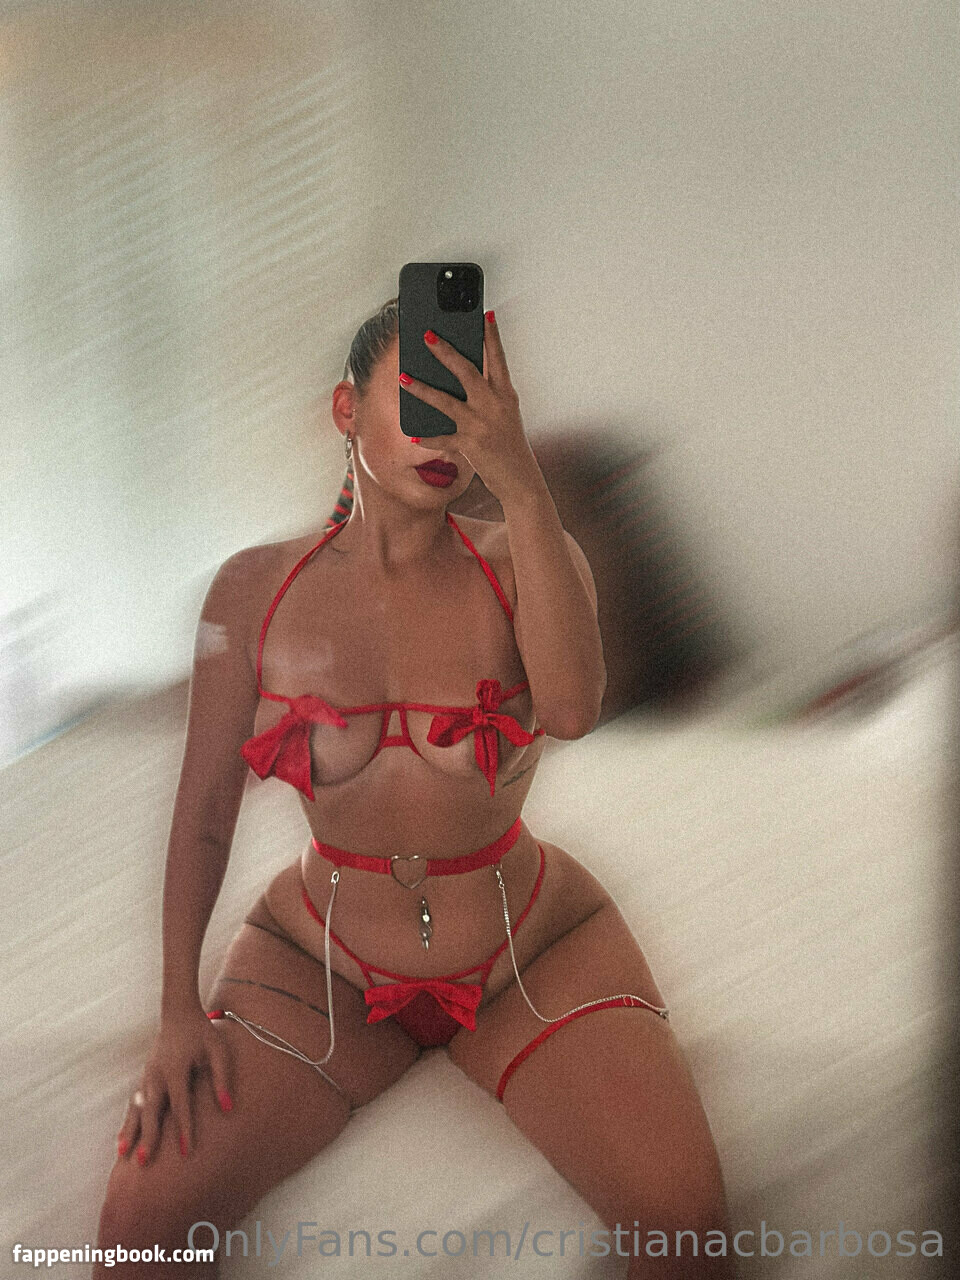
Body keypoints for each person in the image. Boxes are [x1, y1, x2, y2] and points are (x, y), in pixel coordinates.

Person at [94, 298, 736, 1278]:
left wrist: (524, 483)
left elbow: (570, 709)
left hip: (530, 948)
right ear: (346, 409)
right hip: (321, 959)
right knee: (138, 1228)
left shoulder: (530, 558)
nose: (442, 433)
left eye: (467, 403)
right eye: (415, 400)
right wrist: (179, 1007)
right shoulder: (252, 590)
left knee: (688, 1229)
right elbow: (206, 814)